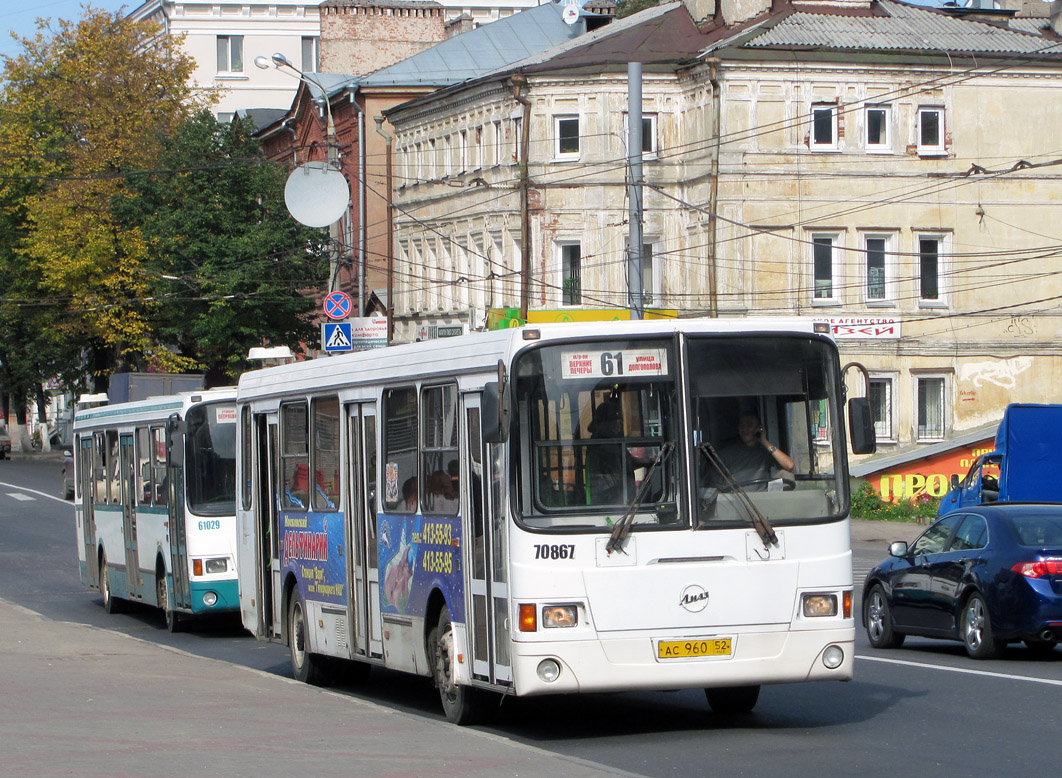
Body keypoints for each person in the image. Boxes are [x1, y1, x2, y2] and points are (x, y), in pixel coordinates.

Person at [707, 412, 794, 492]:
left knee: (787, 476)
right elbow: (715, 488)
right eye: (742, 426)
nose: (745, 429)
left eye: (750, 425)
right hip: (736, 503)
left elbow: (789, 465)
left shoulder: (765, 451)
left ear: (759, 428)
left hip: (763, 502)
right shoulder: (725, 454)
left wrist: (764, 441)